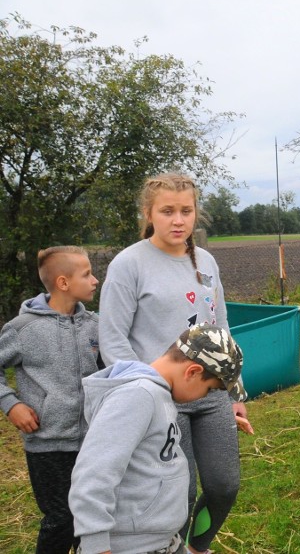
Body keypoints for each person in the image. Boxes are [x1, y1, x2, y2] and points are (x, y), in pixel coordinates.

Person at [98, 173, 252, 554]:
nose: (178, 220)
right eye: (167, 211)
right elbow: (112, 339)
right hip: (161, 400)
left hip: (211, 395)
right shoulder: (128, 265)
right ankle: (170, 549)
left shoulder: (208, 262)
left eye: (186, 210)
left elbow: (221, 327)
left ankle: (197, 548)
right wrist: (143, 394)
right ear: (149, 214)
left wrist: (234, 389)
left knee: (223, 485)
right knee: (177, 494)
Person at [69, 324, 243, 554]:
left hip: (161, 543)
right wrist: (96, 546)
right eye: (210, 389)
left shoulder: (158, 395)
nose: (205, 397)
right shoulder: (137, 396)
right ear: (192, 372)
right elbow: (93, 476)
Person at [0, 246, 100, 554]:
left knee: (94, 518)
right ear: (63, 283)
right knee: (62, 519)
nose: (95, 280)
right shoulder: (22, 329)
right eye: (87, 274)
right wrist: (10, 403)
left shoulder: (95, 326)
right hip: (48, 445)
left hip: (93, 442)